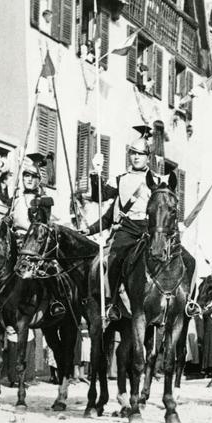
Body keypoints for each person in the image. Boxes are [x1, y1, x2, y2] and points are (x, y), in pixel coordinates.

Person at [80, 133, 159, 321]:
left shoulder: (155, 181)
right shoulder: (119, 179)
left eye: (141, 154)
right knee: (113, 259)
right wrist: (95, 173)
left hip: (148, 231)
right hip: (126, 231)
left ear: (148, 157)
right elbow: (101, 197)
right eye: (133, 153)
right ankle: (112, 303)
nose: (136, 157)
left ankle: (171, 304)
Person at [6, 153, 64, 317]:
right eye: (26, 176)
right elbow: (8, 217)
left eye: (33, 176)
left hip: (34, 243)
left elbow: (44, 225)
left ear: (38, 179)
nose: (29, 180)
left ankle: (55, 301)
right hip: (15, 240)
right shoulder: (16, 198)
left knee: (49, 267)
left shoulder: (44, 200)